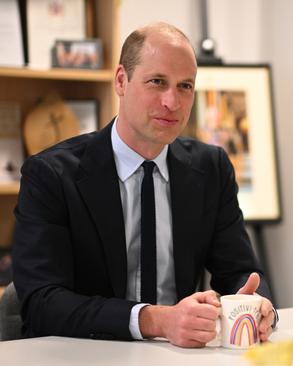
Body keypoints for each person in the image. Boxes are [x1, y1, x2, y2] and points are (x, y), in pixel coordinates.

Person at [12, 22, 277, 348]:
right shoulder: (50, 175)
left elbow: (241, 271)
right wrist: (156, 320)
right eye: (157, 82)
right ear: (121, 80)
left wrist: (257, 304)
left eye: (185, 86)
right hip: (84, 353)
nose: (173, 102)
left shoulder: (212, 168)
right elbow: (41, 302)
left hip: (179, 353)